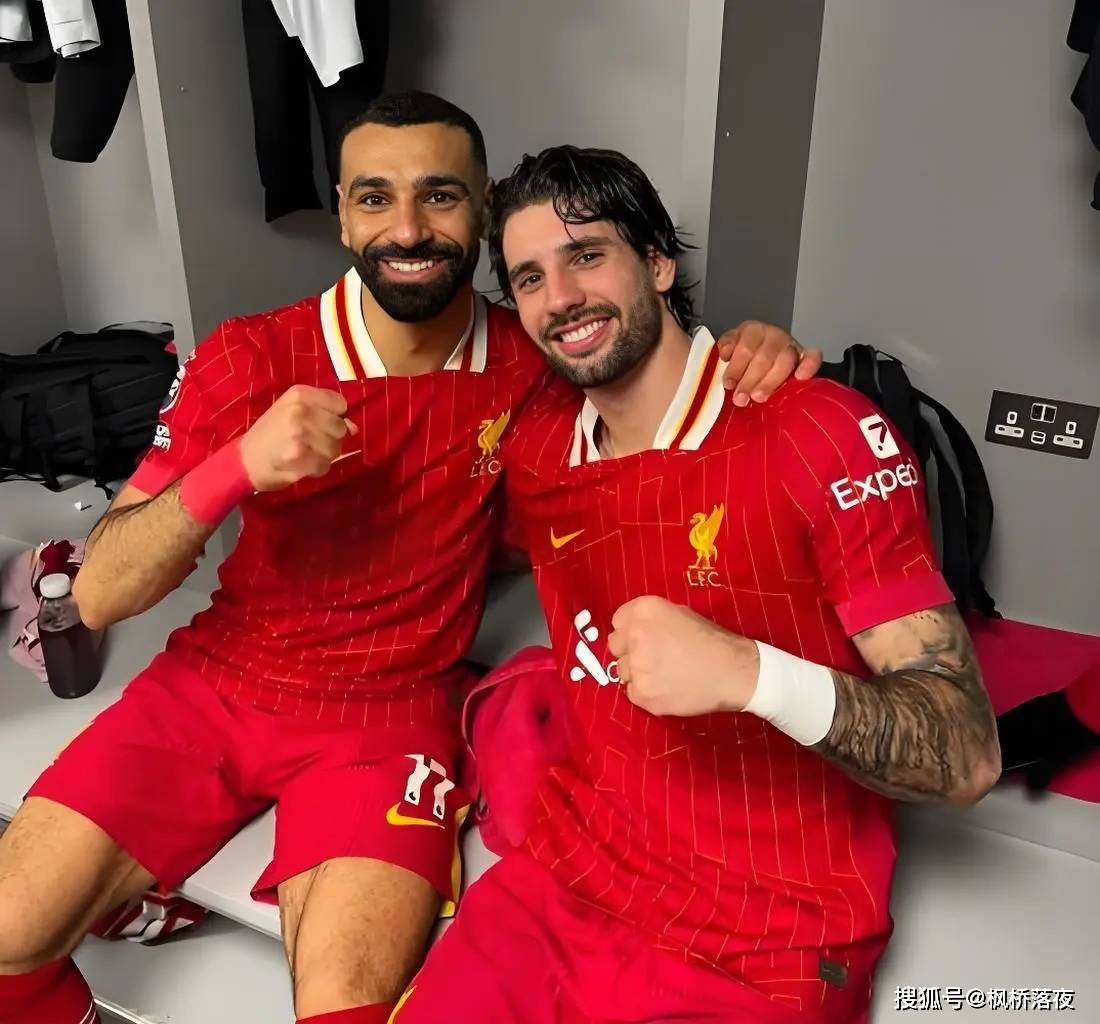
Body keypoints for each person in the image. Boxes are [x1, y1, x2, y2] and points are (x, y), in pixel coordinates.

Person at [0, 94, 814, 1024]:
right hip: (218, 685)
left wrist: (746, 353)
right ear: (344, 217)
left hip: (389, 718)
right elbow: (96, 595)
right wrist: (237, 466)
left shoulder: (529, 363)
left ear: (483, 209)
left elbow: (655, 399)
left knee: (344, 1008)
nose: (409, 228)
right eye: (376, 198)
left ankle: (154, 896)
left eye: (440, 196)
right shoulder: (253, 354)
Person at [390, 145, 1003, 1024]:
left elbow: (968, 753)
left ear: (657, 262)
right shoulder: (537, 446)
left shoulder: (818, 432)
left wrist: (750, 674)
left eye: (586, 255)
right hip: (567, 878)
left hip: (769, 931)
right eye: (529, 278)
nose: (560, 298)